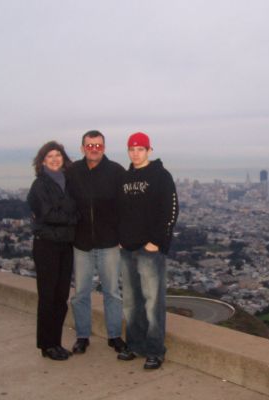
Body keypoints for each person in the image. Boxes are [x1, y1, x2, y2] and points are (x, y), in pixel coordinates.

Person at [116, 132, 179, 370]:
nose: (136, 153)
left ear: (149, 150)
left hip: (150, 249)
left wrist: (157, 241)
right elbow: (118, 212)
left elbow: (171, 210)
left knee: (153, 302)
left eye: (140, 149)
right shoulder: (124, 178)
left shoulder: (161, 176)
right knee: (131, 302)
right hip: (127, 248)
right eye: (132, 149)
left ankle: (155, 350)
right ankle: (135, 345)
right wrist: (120, 239)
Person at [66, 130, 127, 354]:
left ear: (104, 147)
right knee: (81, 293)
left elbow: (125, 207)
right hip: (81, 243)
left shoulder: (116, 171)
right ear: (83, 148)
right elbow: (64, 202)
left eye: (98, 145)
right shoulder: (73, 172)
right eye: (90, 145)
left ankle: (114, 336)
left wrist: (122, 236)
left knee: (112, 292)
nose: (94, 149)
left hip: (110, 242)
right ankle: (82, 336)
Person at [27, 141, 77, 361]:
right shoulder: (39, 185)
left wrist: (68, 217)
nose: (55, 159)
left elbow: (74, 208)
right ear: (42, 161)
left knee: (61, 296)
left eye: (58, 155)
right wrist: (73, 219)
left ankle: (55, 342)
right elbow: (48, 215)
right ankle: (46, 345)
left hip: (65, 245)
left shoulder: (68, 182)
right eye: (50, 156)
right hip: (46, 245)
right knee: (48, 296)